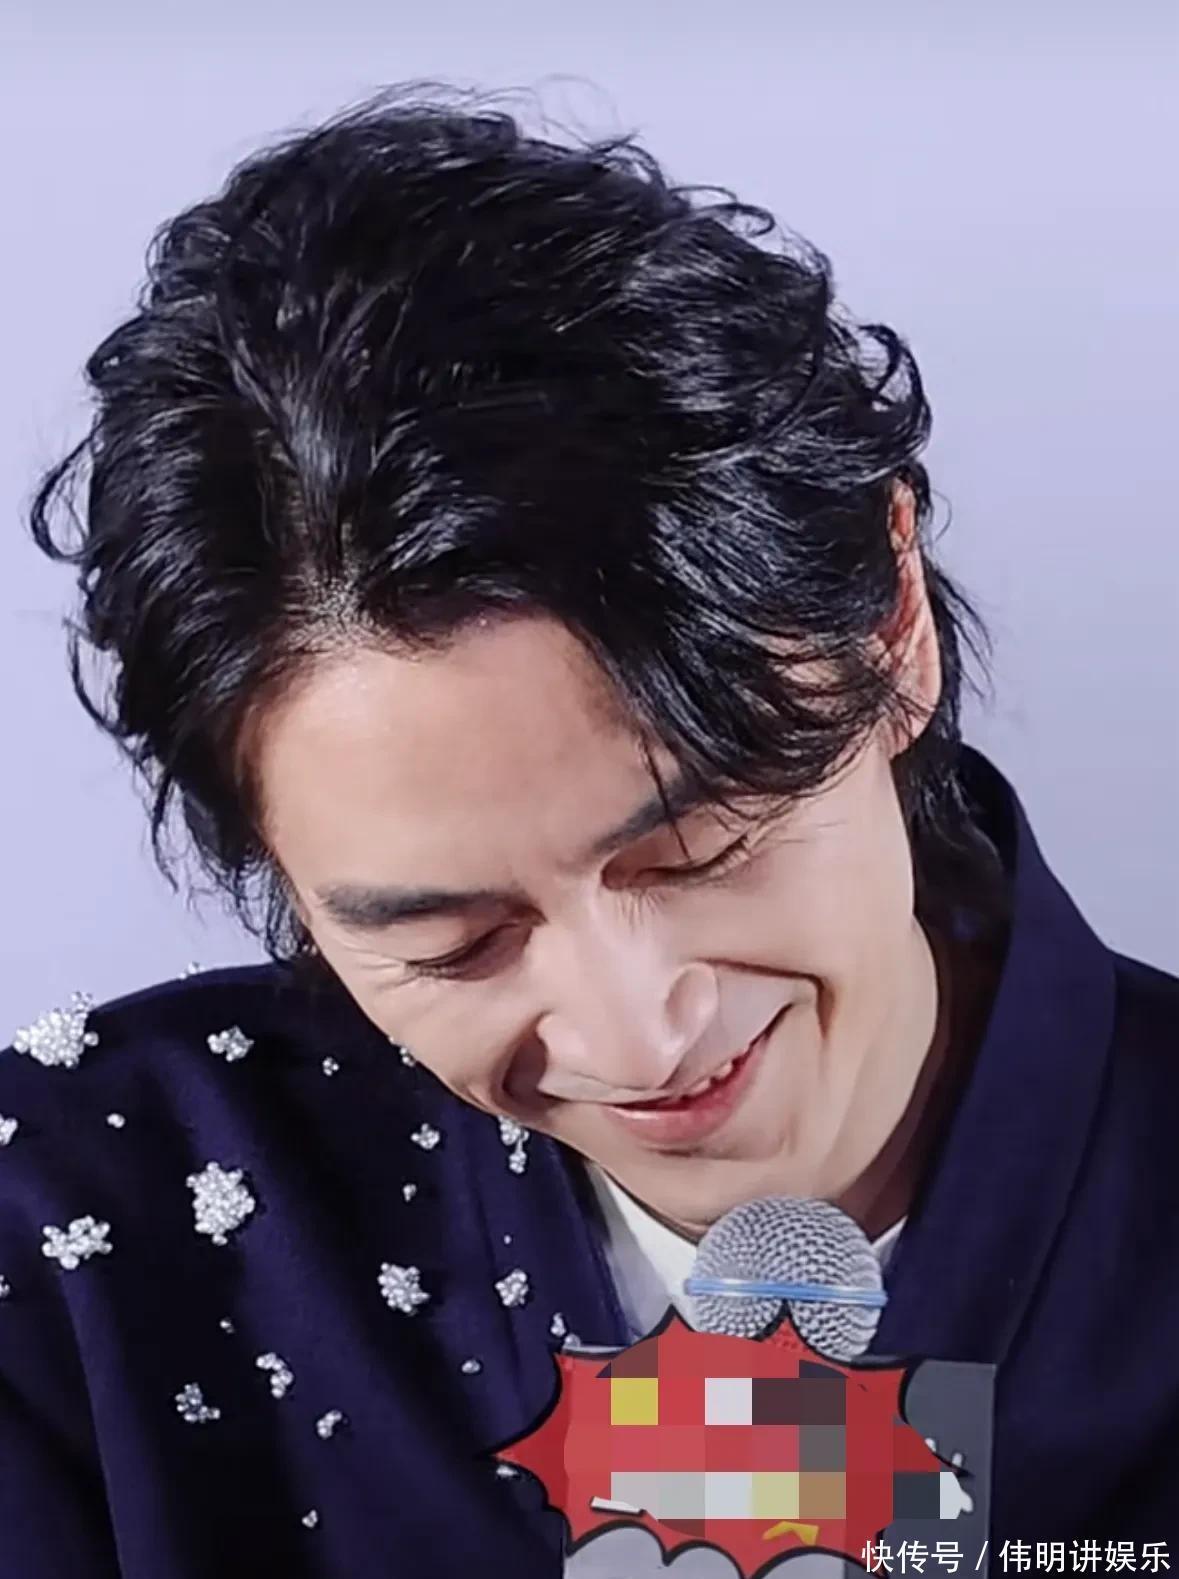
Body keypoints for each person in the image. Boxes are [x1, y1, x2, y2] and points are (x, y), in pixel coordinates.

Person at [2, 85, 1176, 1577]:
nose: (638, 1039)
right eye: (457, 942)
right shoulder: (70, 1242)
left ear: (891, 628)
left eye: (701, 851)